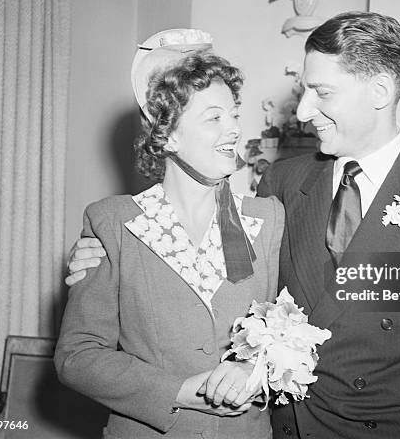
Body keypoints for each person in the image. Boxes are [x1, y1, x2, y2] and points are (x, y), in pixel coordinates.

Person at [66, 12, 400, 439]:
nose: (303, 112)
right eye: (305, 90)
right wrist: (106, 253)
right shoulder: (284, 182)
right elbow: (247, 291)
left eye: (322, 93)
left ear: (380, 92)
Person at [55, 29, 284, 439]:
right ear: (169, 135)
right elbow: (78, 356)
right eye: (214, 117)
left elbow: (290, 326)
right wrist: (178, 391)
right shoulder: (113, 223)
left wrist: (256, 367)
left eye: (234, 114)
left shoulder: (267, 217)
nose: (233, 129)